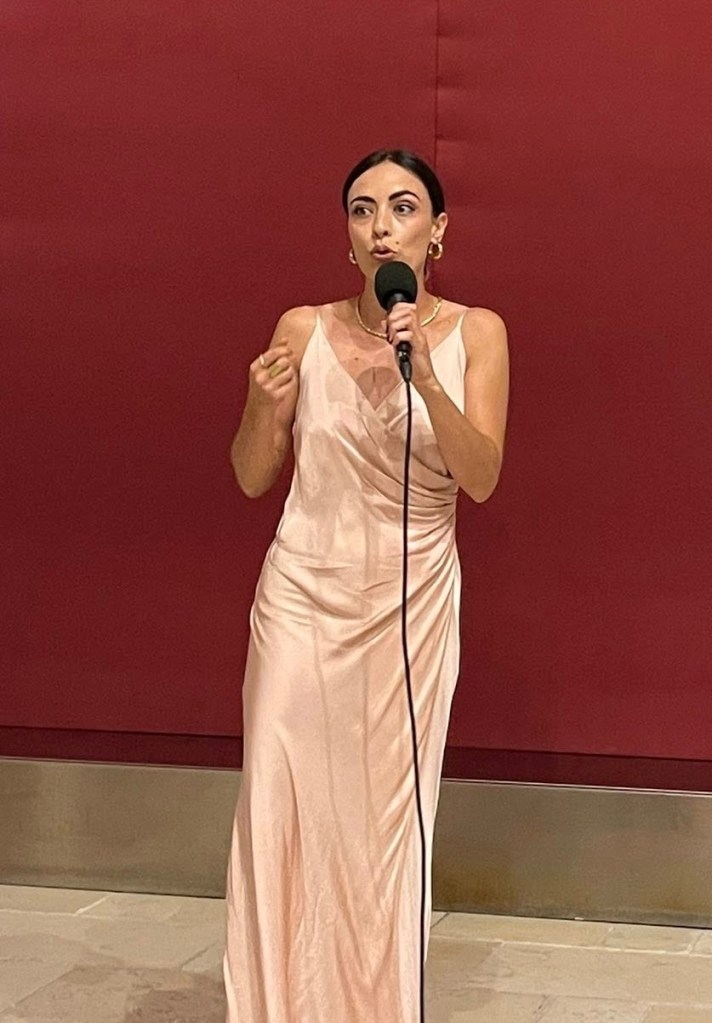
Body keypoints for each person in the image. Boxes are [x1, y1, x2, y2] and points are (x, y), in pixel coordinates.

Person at [223, 149, 510, 1022]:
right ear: (348, 236)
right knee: (279, 806)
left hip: (408, 607)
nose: (381, 226)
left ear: (438, 231)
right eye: (362, 209)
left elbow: (481, 477)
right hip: (301, 595)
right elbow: (252, 475)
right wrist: (261, 405)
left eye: (403, 207)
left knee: (383, 826)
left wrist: (424, 372)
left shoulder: (477, 333)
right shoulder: (301, 327)